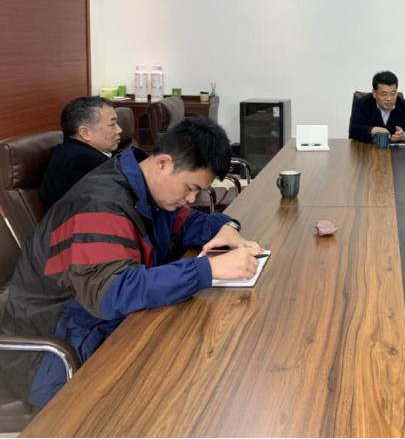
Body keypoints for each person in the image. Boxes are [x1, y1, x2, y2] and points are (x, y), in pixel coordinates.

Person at [0, 118, 263, 406]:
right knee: (188, 388)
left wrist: (225, 228)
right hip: (53, 355)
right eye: (190, 187)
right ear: (163, 163)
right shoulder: (98, 205)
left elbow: (187, 223)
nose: (191, 198)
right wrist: (208, 269)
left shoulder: (148, 189)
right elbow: (114, 293)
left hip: (98, 326)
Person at [39, 96, 123, 209]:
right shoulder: (80, 162)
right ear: (85, 133)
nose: (119, 130)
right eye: (112, 124)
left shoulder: (88, 151)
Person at [348, 70, 405, 144]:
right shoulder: (362, 104)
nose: (389, 98)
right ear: (374, 93)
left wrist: (404, 135)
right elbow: (354, 130)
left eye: (393, 94)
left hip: (396, 151)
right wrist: (373, 130)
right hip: (368, 150)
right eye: (384, 94)